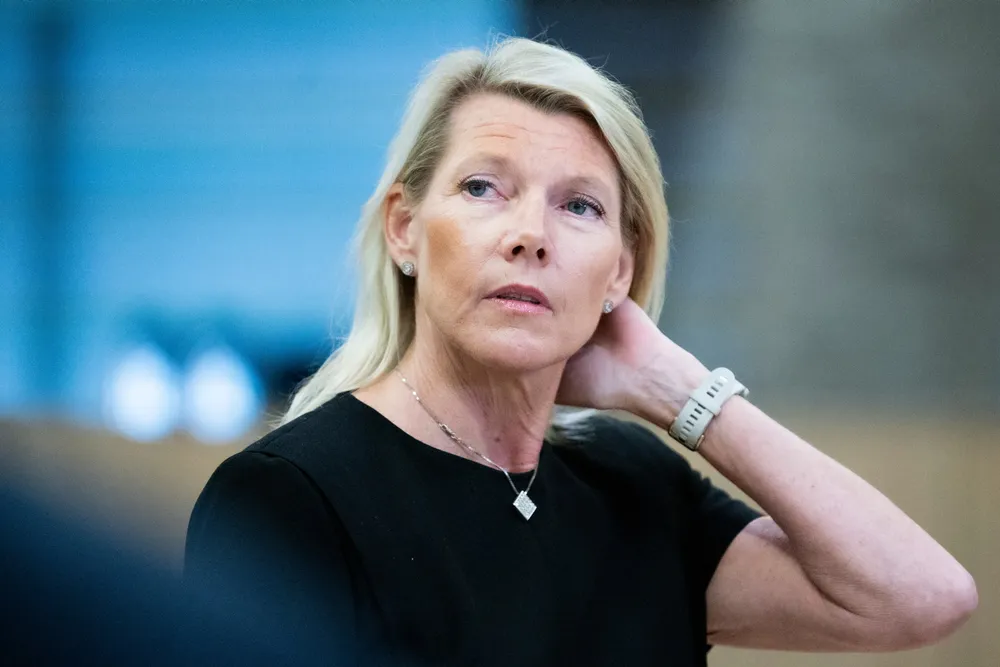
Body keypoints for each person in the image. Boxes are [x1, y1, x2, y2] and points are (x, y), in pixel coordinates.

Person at [185, 37, 977, 666]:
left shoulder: (633, 483)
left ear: (618, 272)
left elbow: (922, 596)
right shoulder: (287, 497)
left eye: (580, 206)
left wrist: (682, 392)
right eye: (483, 188)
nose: (530, 234)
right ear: (404, 229)